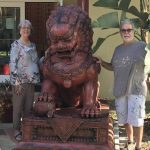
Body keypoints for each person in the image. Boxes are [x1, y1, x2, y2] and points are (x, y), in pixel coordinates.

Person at [100, 19, 149, 150]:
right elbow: (113, 66)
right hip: (120, 89)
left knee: (137, 120)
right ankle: (130, 141)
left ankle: (138, 146)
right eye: (124, 30)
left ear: (134, 31)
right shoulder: (118, 50)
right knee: (124, 119)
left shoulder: (143, 47)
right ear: (120, 32)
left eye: (129, 30)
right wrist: (102, 62)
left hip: (136, 89)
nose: (126, 32)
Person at [9, 20, 40, 141]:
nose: (26, 30)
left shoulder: (32, 45)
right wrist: (16, 82)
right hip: (19, 82)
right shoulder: (16, 45)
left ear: (30, 30)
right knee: (17, 108)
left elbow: (35, 61)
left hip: (31, 81)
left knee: (28, 108)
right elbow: (12, 64)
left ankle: (25, 129)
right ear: (20, 30)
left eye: (28, 28)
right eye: (23, 28)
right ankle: (16, 130)